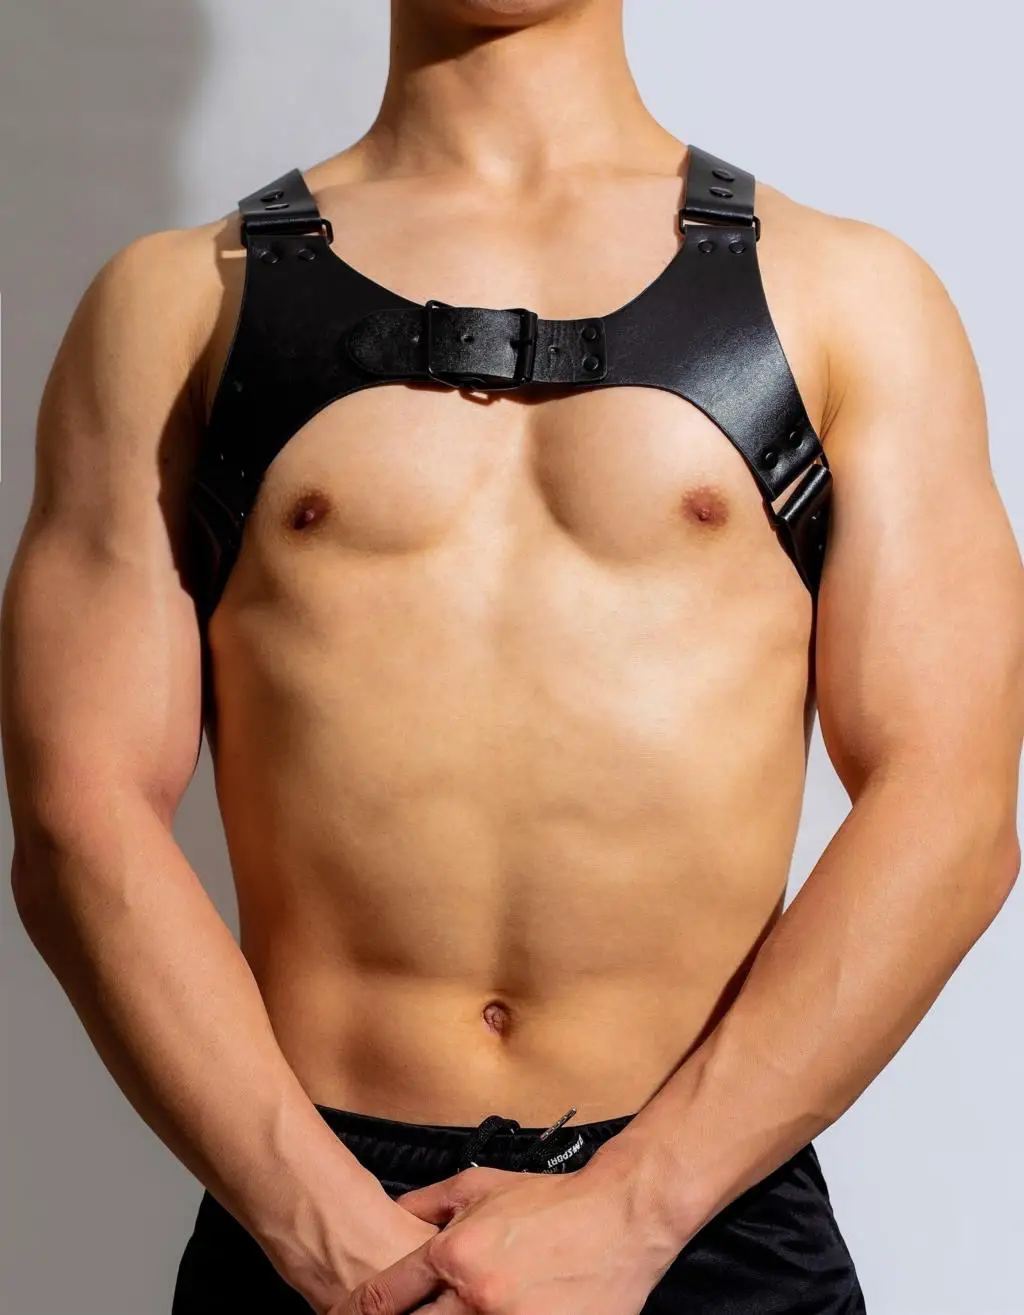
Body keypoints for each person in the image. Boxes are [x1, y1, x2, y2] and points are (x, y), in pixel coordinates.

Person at [3, 0, 1022, 1312]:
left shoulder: (848, 298)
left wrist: (640, 1208)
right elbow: (78, 813)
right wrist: (331, 1235)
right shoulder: (176, 307)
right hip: (316, 1219)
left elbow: (950, 808)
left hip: (709, 1204)